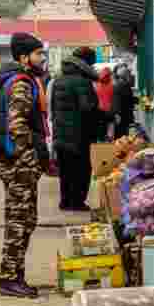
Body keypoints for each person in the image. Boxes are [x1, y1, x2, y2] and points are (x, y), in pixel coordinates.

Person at [0, 32, 51, 298]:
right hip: (19, 161)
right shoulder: (22, 83)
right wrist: (30, 157)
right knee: (19, 219)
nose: (42, 59)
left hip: (13, 158)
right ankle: (9, 277)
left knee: (26, 218)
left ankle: (15, 274)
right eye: (39, 54)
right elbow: (17, 124)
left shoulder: (17, 79)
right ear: (25, 58)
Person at [51, 47, 102, 212]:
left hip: (61, 132)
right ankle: (77, 202)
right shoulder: (82, 81)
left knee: (65, 170)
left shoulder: (58, 80)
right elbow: (88, 108)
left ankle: (65, 201)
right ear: (86, 63)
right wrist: (105, 116)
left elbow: (53, 108)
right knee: (81, 169)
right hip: (79, 134)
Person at [112, 63, 137, 136]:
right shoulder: (123, 85)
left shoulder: (118, 84)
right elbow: (125, 99)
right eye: (128, 73)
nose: (130, 75)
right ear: (125, 75)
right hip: (123, 114)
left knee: (120, 133)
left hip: (122, 114)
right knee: (121, 133)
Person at [95, 66, 115, 139]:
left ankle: (101, 143)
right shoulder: (112, 85)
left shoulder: (97, 84)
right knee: (110, 129)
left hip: (99, 110)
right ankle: (108, 140)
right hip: (110, 110)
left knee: (101, 129)